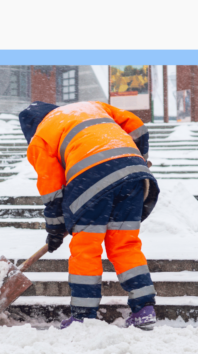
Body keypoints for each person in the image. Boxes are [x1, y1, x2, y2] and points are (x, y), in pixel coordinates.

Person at [19, 101, 160, 330]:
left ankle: (84, 317)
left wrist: (55, 230)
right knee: (125, 244)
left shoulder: (40, 138)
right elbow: (138, 127)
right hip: (134, 176)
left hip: (90, 179)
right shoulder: (91, 107)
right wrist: (140, 158)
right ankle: (144, 308)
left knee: (87, 248)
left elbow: (52, 191)